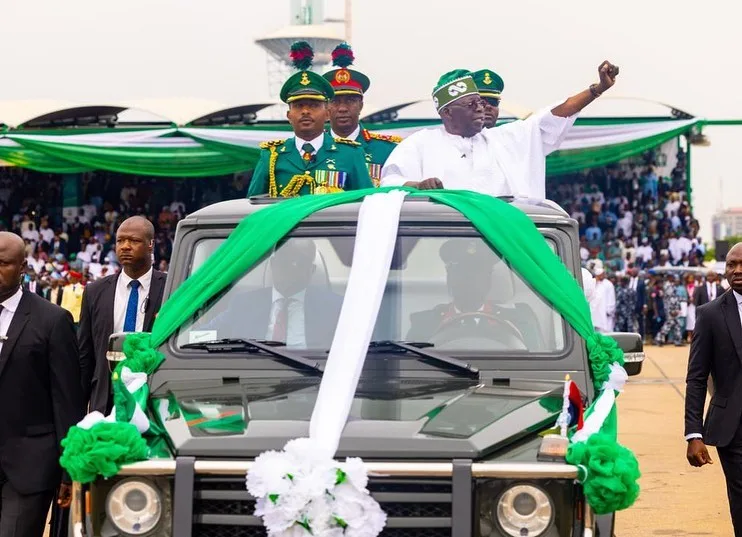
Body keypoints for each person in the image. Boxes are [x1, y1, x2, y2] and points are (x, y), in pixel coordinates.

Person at [380, 61, 619, 199]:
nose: (480, 108)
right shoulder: (420, 143)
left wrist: (597, 89)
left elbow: (553, 115)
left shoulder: (505, 139)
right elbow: (389, 183)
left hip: (503, 249)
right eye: (471, 104)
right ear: (448, 113)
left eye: (482, 102)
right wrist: (418, 186)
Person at [0, 232, 84, 537]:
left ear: (23, 267)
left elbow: (66, 401)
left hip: (28, 467)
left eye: (3, 263)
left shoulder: (52, 320)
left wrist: (68, 469)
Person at [247, 41, 373, 198]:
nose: (305, 111)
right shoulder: (272, 156)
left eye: (313, 106)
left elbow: (365, 203)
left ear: (327, 113)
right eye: (298, 106)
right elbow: (253, 203)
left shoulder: (350, 153)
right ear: (289, 116)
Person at [79, 216, 166, 414]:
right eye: (120, 241)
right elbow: (85, 354)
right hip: (106, 398)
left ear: (151, 244)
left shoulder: (171, 288)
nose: (125, 246)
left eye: (133, 241)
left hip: (153, 395)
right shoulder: (94, 291)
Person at [685, 242, 742, 536]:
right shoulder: (710, 314)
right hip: (733, 429)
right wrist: (694, 434)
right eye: (731, 264)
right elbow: (696, 377)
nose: (737, 270)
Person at [202, 239, 343, 348]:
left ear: (311, 270)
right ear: (273, 264)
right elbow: (201, 336)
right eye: (285, 262)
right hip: (256, 375)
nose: (291, 269)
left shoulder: (336, 308)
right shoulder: (243, 305)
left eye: (299, 263)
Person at [405, 239, 544, 350]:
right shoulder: (425, 323)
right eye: (462, 272)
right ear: (450, 277)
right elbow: (410, 366)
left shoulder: (518, 319)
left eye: (478, 273)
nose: (470, 280)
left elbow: (539, 368)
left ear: (489, 280)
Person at [322, 43, 401, 186]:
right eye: (336, 101)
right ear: (327, 107)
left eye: (350, 101)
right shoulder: (315, 149)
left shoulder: (387, 149)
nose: (343, 108)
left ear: (361, 105)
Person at [655, 273, 684, 346]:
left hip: (674, 308)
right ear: (669, 277)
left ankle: (678, 341)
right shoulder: (667, 286)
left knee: (677, 325)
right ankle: (659, 339)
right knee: (668, 324)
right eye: (672, 277)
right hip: (671, 309)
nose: (674, 278)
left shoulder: (671, 285)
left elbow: (675, 298)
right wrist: (672, 310)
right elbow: (670, 299)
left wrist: (678, 308)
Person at [590, 268, 616, 333]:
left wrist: (609, 310)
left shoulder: (608, 284)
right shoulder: (593, 283)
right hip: (595, 313)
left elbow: (611, 298)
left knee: (606, 332)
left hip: (605, 313)